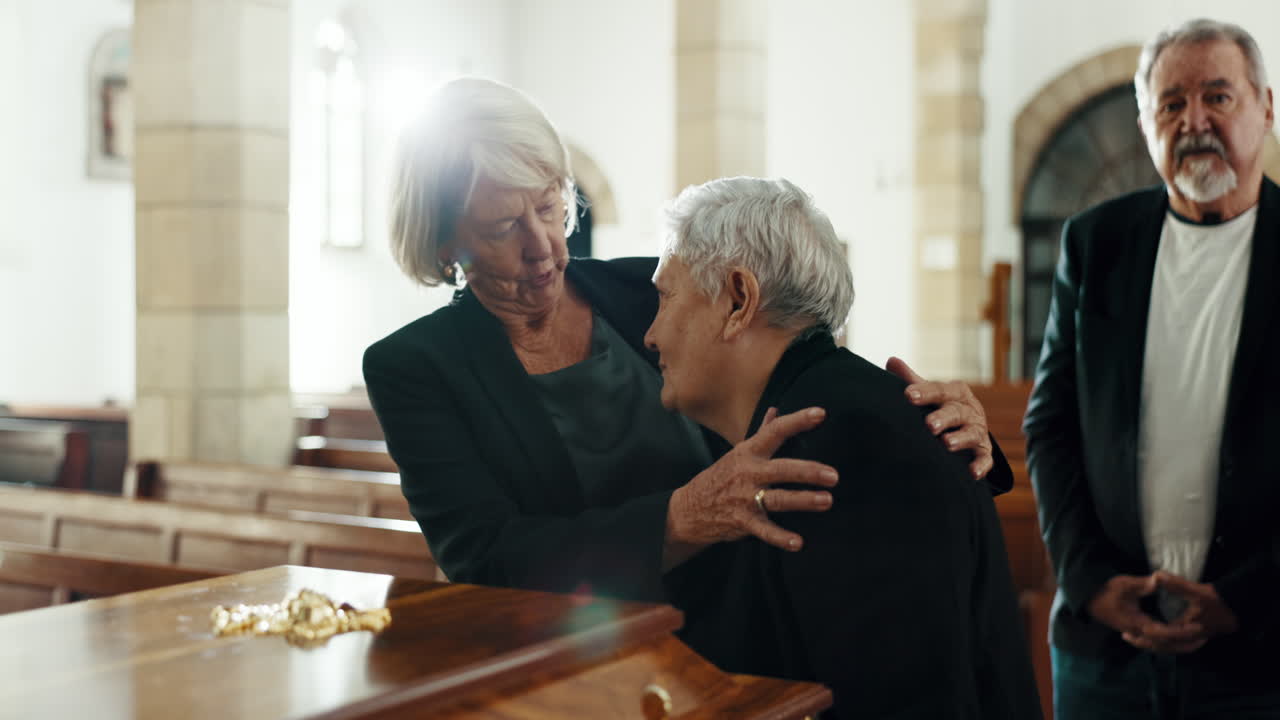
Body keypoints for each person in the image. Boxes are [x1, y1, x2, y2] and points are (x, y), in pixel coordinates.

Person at [363, 77, 1011, 641]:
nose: (543, 247)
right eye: (504, 227)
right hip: (576, 661)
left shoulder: (655, 287)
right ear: (443, 243)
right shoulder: (413, 368)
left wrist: (933, 422)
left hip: (755, 633)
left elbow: (806, 376)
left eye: (548, 206)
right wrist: (680, 519)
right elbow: (488, 560)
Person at [642, 176, 1041, 719]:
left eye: (665, 297)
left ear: (738, 299)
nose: (651, 333)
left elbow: (897, 704)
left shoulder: (848, 443)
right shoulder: (819, 416)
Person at [1023, 18, 1280, 719]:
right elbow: (1051, 428)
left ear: (1265, 107)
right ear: (1145, 126)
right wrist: (1090, 583)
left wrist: (1244, 598)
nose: (1194, 122)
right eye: (1171, 104)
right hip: (1107, 650)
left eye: (1217, 97)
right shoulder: (1096, 243)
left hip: (1261, 652)